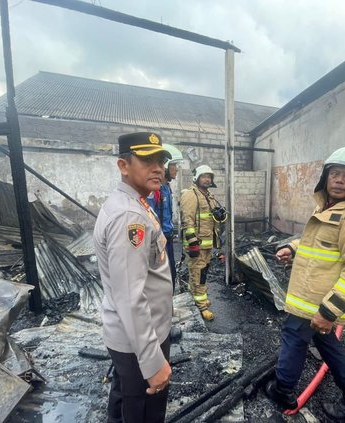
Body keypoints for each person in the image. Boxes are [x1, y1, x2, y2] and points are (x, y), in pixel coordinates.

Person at [265, 144, 345, 423]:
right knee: (327, 344)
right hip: (312, 297)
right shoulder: (331, 206)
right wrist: (293, 248)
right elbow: (318, 243)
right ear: (326, 176)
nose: (339, 180)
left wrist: (329, 312)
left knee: (293, 337)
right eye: (335, 173)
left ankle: (283, 390)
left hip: (319, 302)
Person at [93, 132, 173, 423]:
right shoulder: (130, 215)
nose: (158, 167)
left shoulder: (136, 203)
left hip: (135, 335)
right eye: (147, 159)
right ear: (123, 166)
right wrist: (153, 362)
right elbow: (130, 296)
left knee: (125, 399)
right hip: (140, 339)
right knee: (143, 411)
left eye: (161, 160)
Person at [180, 164, 226, 321]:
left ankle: (195, 294)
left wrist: (221, 216)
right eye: (204, 176)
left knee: (202, 272)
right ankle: (202, 306)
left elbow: (215, 221)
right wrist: (192, 243)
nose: (207, 179)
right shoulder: (190, 194)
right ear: (197, 178)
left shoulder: (210, 195)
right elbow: (187, 220)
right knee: (198, 273)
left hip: (207, 244)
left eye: (209, 177)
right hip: (196, 244)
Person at [148, 144, 183, 291]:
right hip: (158, 242)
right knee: (162, 279)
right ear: (167, 166)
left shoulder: (167, 187)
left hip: (167, 238)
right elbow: (150, 220)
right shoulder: (154, 191)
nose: (177, 169)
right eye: (174, 165)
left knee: (171, 275)